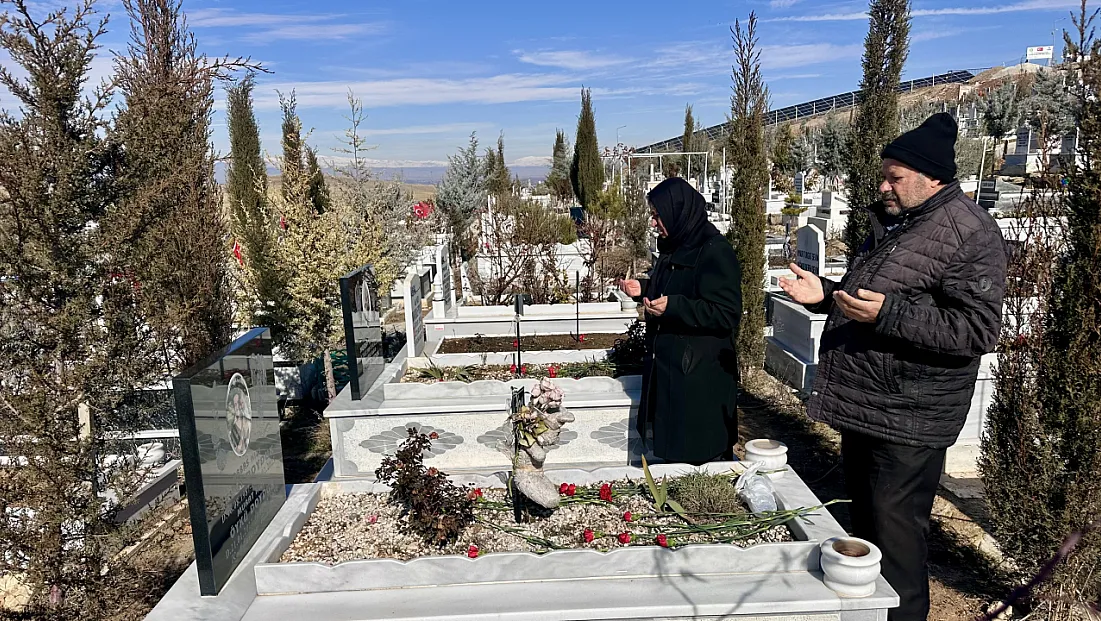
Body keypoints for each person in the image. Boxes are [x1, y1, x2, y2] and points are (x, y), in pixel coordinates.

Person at [779, 113, 1007, 621]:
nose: (883, 186)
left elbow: (977, 330)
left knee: (897, 542)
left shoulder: (969, 233)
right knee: (867, 535)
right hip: (872, 408)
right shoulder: (899, 223)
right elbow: (871, 296)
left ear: (934, 177)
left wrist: (890, 314)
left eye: (894, 177)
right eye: (884, 175)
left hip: (910, 418)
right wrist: (827, 297)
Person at [618, 177, 742, 466]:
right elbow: (676, 287)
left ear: (679, 211)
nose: (653, 222)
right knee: (676, 456)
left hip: (699, 377)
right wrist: (645, 289)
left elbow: (726, 313)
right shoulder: (674, 245)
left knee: (700, 458)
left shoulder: (714, 250)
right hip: (673, 368)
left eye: (657, 215)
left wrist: (675, 307)